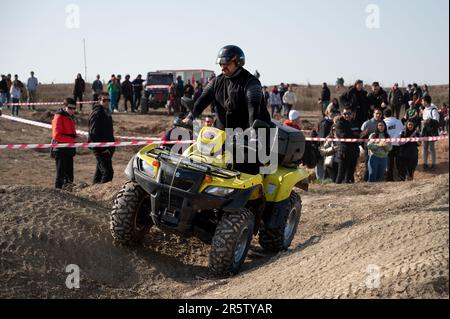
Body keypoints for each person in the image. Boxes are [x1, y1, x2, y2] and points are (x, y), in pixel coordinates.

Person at [51, 98, 78, 189]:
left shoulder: (69, 117)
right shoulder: (58, 117)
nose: (72, 110)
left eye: (74, 108)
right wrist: (73, 140)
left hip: (69, 150)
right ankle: (57, 195)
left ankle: (68, 194)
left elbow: (69, 133)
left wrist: (76, 136)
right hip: (60, 150)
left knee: (69, 177)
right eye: (70, 108)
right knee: (60, 177)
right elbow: (57, 135)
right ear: (64, 106)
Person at [88, 93, 115, 183]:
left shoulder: (106, 112)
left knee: (99, 172)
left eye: (108, 100)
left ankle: (93, 192)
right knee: (108, 173)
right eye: (104, 100)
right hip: (100, 148)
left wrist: (111, 147)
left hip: (108, 147)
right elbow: (93, 133)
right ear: (99, 101)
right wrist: (103, 148)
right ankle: (102, 194)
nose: (107, 102)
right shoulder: (97, 113)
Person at [335, 107, 361, 184]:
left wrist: (358, 134)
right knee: (341, 174)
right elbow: (344, 136)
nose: (347, 115)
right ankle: (337, 190)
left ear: (352, 114)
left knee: (350, 174)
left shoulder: (355, 122)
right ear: (342, 114)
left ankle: (349, 191)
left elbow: (358, 133)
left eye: (349, 113)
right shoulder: (340, 123)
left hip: (354, 151)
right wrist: (355, 135)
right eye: (345, 114)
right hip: (344, 152)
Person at [360, 108, 384, 182]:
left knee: (378, 163)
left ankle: (377, 179)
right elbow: (361, 135)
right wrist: (364, 135)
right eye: (376, 113)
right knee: (369, 163)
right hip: (369, 146)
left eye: (380, 114)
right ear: (373, 114)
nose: (378, 115)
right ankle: (366, 179)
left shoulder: (383, 123)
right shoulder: (367, 123)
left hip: (380, 147)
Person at [384, 108, 404, 181]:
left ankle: (390, 178)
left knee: (390, 163)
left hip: (388, 145)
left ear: (384, 115)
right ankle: (401, 177)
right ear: (392, 114)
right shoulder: (398, 121)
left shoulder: (383, 122)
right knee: (399, 162)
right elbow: (402, 131)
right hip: (397, 144)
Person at [421, 95, 440, 170]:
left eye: (422, 101)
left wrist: (429, 121)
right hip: (425, 131)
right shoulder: (425, 110)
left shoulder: (434, 110)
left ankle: (433, 164)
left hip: (432, 132)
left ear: (426, 101)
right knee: (424, 148)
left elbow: (437, 122)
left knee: (432, 148)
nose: (422, 102)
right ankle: (425, 164)